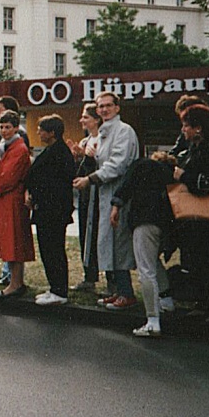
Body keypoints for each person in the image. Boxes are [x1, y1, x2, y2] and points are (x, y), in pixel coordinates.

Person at [73, 92, 140, 310]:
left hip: (120, 194)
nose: (104, 110)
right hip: (105, 195)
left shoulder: (124, 131)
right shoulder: (103, 132)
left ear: (117, 108)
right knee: (109, 243)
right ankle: (119, 290)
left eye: (108, 105)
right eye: (101, 106)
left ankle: (127, 293)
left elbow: (117, 165)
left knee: (119, 244)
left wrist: (90, 179)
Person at [173, 104, 209, 321]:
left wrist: (183, 176)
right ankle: (202, 302)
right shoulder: (193, 150)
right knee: (196, 260)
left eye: (186, 126)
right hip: (195, 217)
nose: (183, 130)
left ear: (199, 128)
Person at [111, 151, 178, 337]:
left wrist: (116, 205)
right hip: (164, 223)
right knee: (154, 262)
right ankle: (166, 300)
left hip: (144, 219)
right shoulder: (171, 172)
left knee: (145, 269)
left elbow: (126, 186)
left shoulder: (142, 165)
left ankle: (152, 320)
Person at [25, 115, 76, 306]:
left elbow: (52, 183)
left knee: (54, 249)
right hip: (46, 209)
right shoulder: (52, 151)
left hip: (54, 210)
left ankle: (60, 290)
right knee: (48, 249)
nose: (38, 132)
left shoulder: (59, 153)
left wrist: (36, 194)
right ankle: (54, 287)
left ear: (52, 132)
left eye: (41, 129)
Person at [0, 110, 34, 297]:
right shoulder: (3, 147)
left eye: (8, 127)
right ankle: (16, 282)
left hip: (12, 198)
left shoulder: (19, 148)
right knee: (9, 241)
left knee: (14, 241)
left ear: (16, 127)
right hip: (5, 199)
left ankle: (16, 284)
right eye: (1, 126)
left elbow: (10, 174)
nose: (4, 130)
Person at [67, 103, 101, 291]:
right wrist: (78, 158)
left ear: (96, 120)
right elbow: (79, 172)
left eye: (85, 117)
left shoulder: (101, 140)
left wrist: (88, 158)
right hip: (85, 195)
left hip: (99, 195)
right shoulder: (84, 141)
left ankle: (110, 279)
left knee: (99, 236)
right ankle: (89, 276)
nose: (81, 120)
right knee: (85, 236)